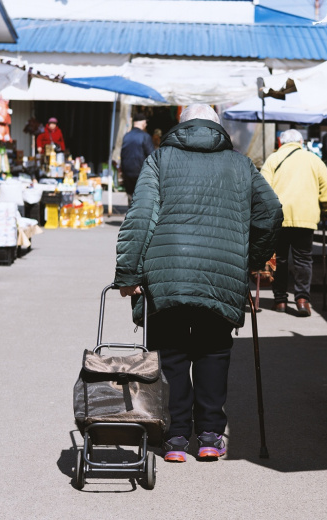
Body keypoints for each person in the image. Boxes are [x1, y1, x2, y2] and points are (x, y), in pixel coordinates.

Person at [114, 104, 283, 463]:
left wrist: (128, 273)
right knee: (213, 351)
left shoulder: (160, 159)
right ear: (218, 127)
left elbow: (141, 215)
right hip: (222, 274)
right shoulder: (240, 164)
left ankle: (175, 439)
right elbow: (271, 211)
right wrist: (251, 259)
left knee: (171, 354)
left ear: (181, 125)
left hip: (166, 274)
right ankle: (209, 436)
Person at [260, 129, 327, 317]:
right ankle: (303, 300)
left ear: (280, 141)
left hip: (278, 218)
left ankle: (279, 301)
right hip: (306, 217)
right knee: (303, 259)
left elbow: (261, 190)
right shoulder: (313, 160)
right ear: (301, 142)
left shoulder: (273, 159)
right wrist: (326, 211)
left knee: (278, 260)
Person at [120, 112, 154, 205]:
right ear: (143, 123)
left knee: (131, 199)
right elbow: (152, 156)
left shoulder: (126, 136)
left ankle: (131, 217)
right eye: (145, 122)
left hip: (127, 173)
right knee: (142, 199)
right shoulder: (145, 136)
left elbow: (123, 155)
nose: (146, 124)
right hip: (141, 173)